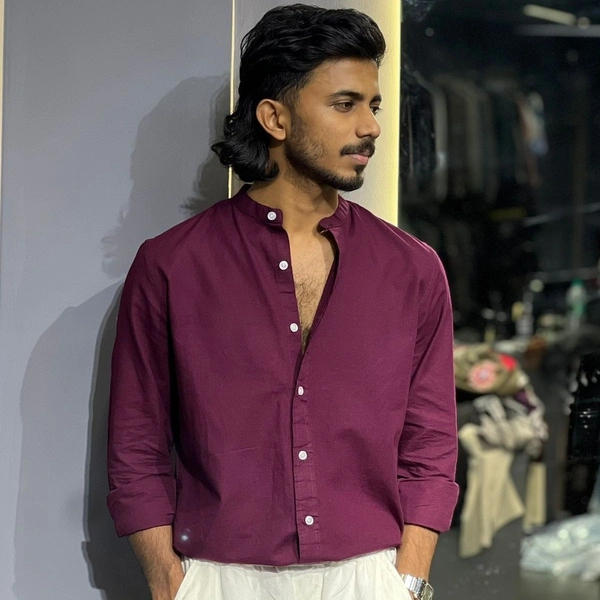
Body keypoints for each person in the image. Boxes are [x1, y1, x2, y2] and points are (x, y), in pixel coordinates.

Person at [107, 5, 459, 600]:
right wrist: (170, 582)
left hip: (369, 576)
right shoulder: (172, 265)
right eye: (344, 104)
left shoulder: (412, 269)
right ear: (274, 116)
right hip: (220, 576)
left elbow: (430, 440)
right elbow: (135, 443)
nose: (371, 126)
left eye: (373, 106)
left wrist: (409, 577)